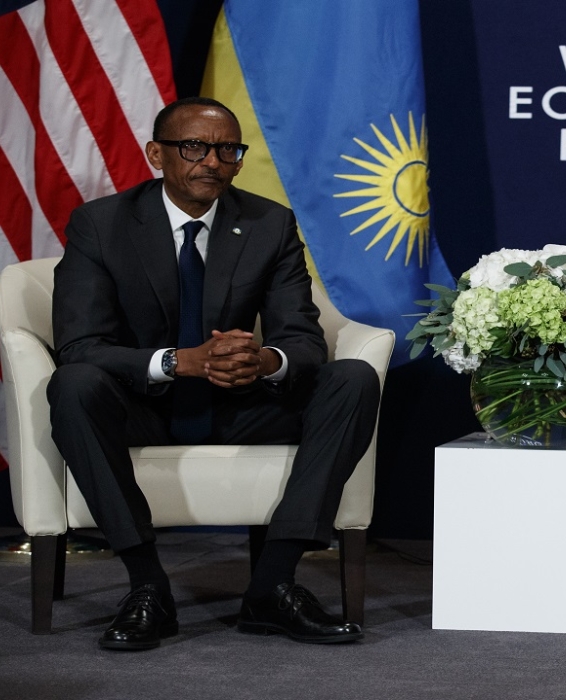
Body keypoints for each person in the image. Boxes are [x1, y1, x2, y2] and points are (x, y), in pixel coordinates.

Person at [48, 96, 382, 651]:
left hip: (238, 404)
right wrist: (178, 361)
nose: (213, 161)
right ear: (157, 154)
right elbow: (81, 346)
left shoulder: (269, 223)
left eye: (229, 150)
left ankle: (273, 585)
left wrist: (265, 360)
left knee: (353, 379)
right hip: (143, 409)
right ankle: (147, 586)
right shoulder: (101, 224)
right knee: (74, 385)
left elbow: (301, 339)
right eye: (194, 147)